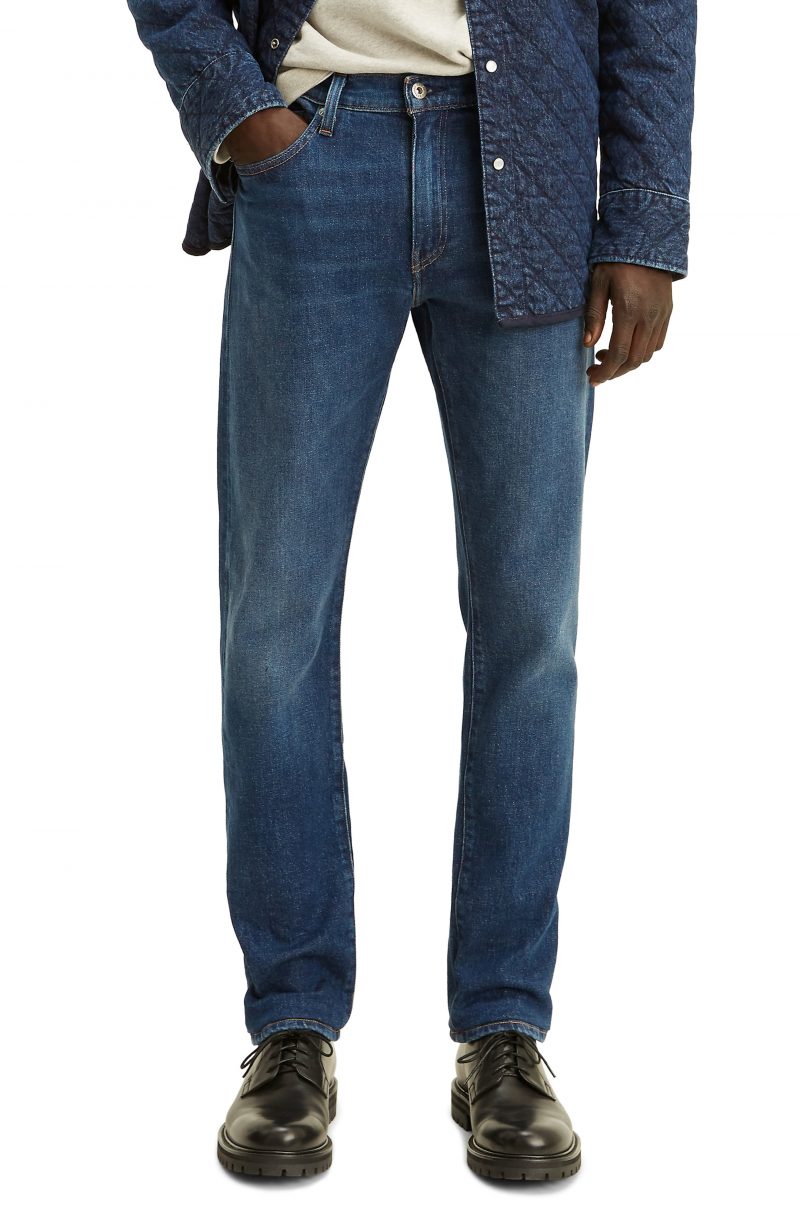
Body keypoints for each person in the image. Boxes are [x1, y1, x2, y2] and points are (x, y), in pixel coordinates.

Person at [127, 0, 696, 1182]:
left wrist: (644, 217)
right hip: (315, 152)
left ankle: (503, 1030)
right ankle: (290, 1028)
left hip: (532, 162)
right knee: (273, 627)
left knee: (530, 629)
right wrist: (240, 113)